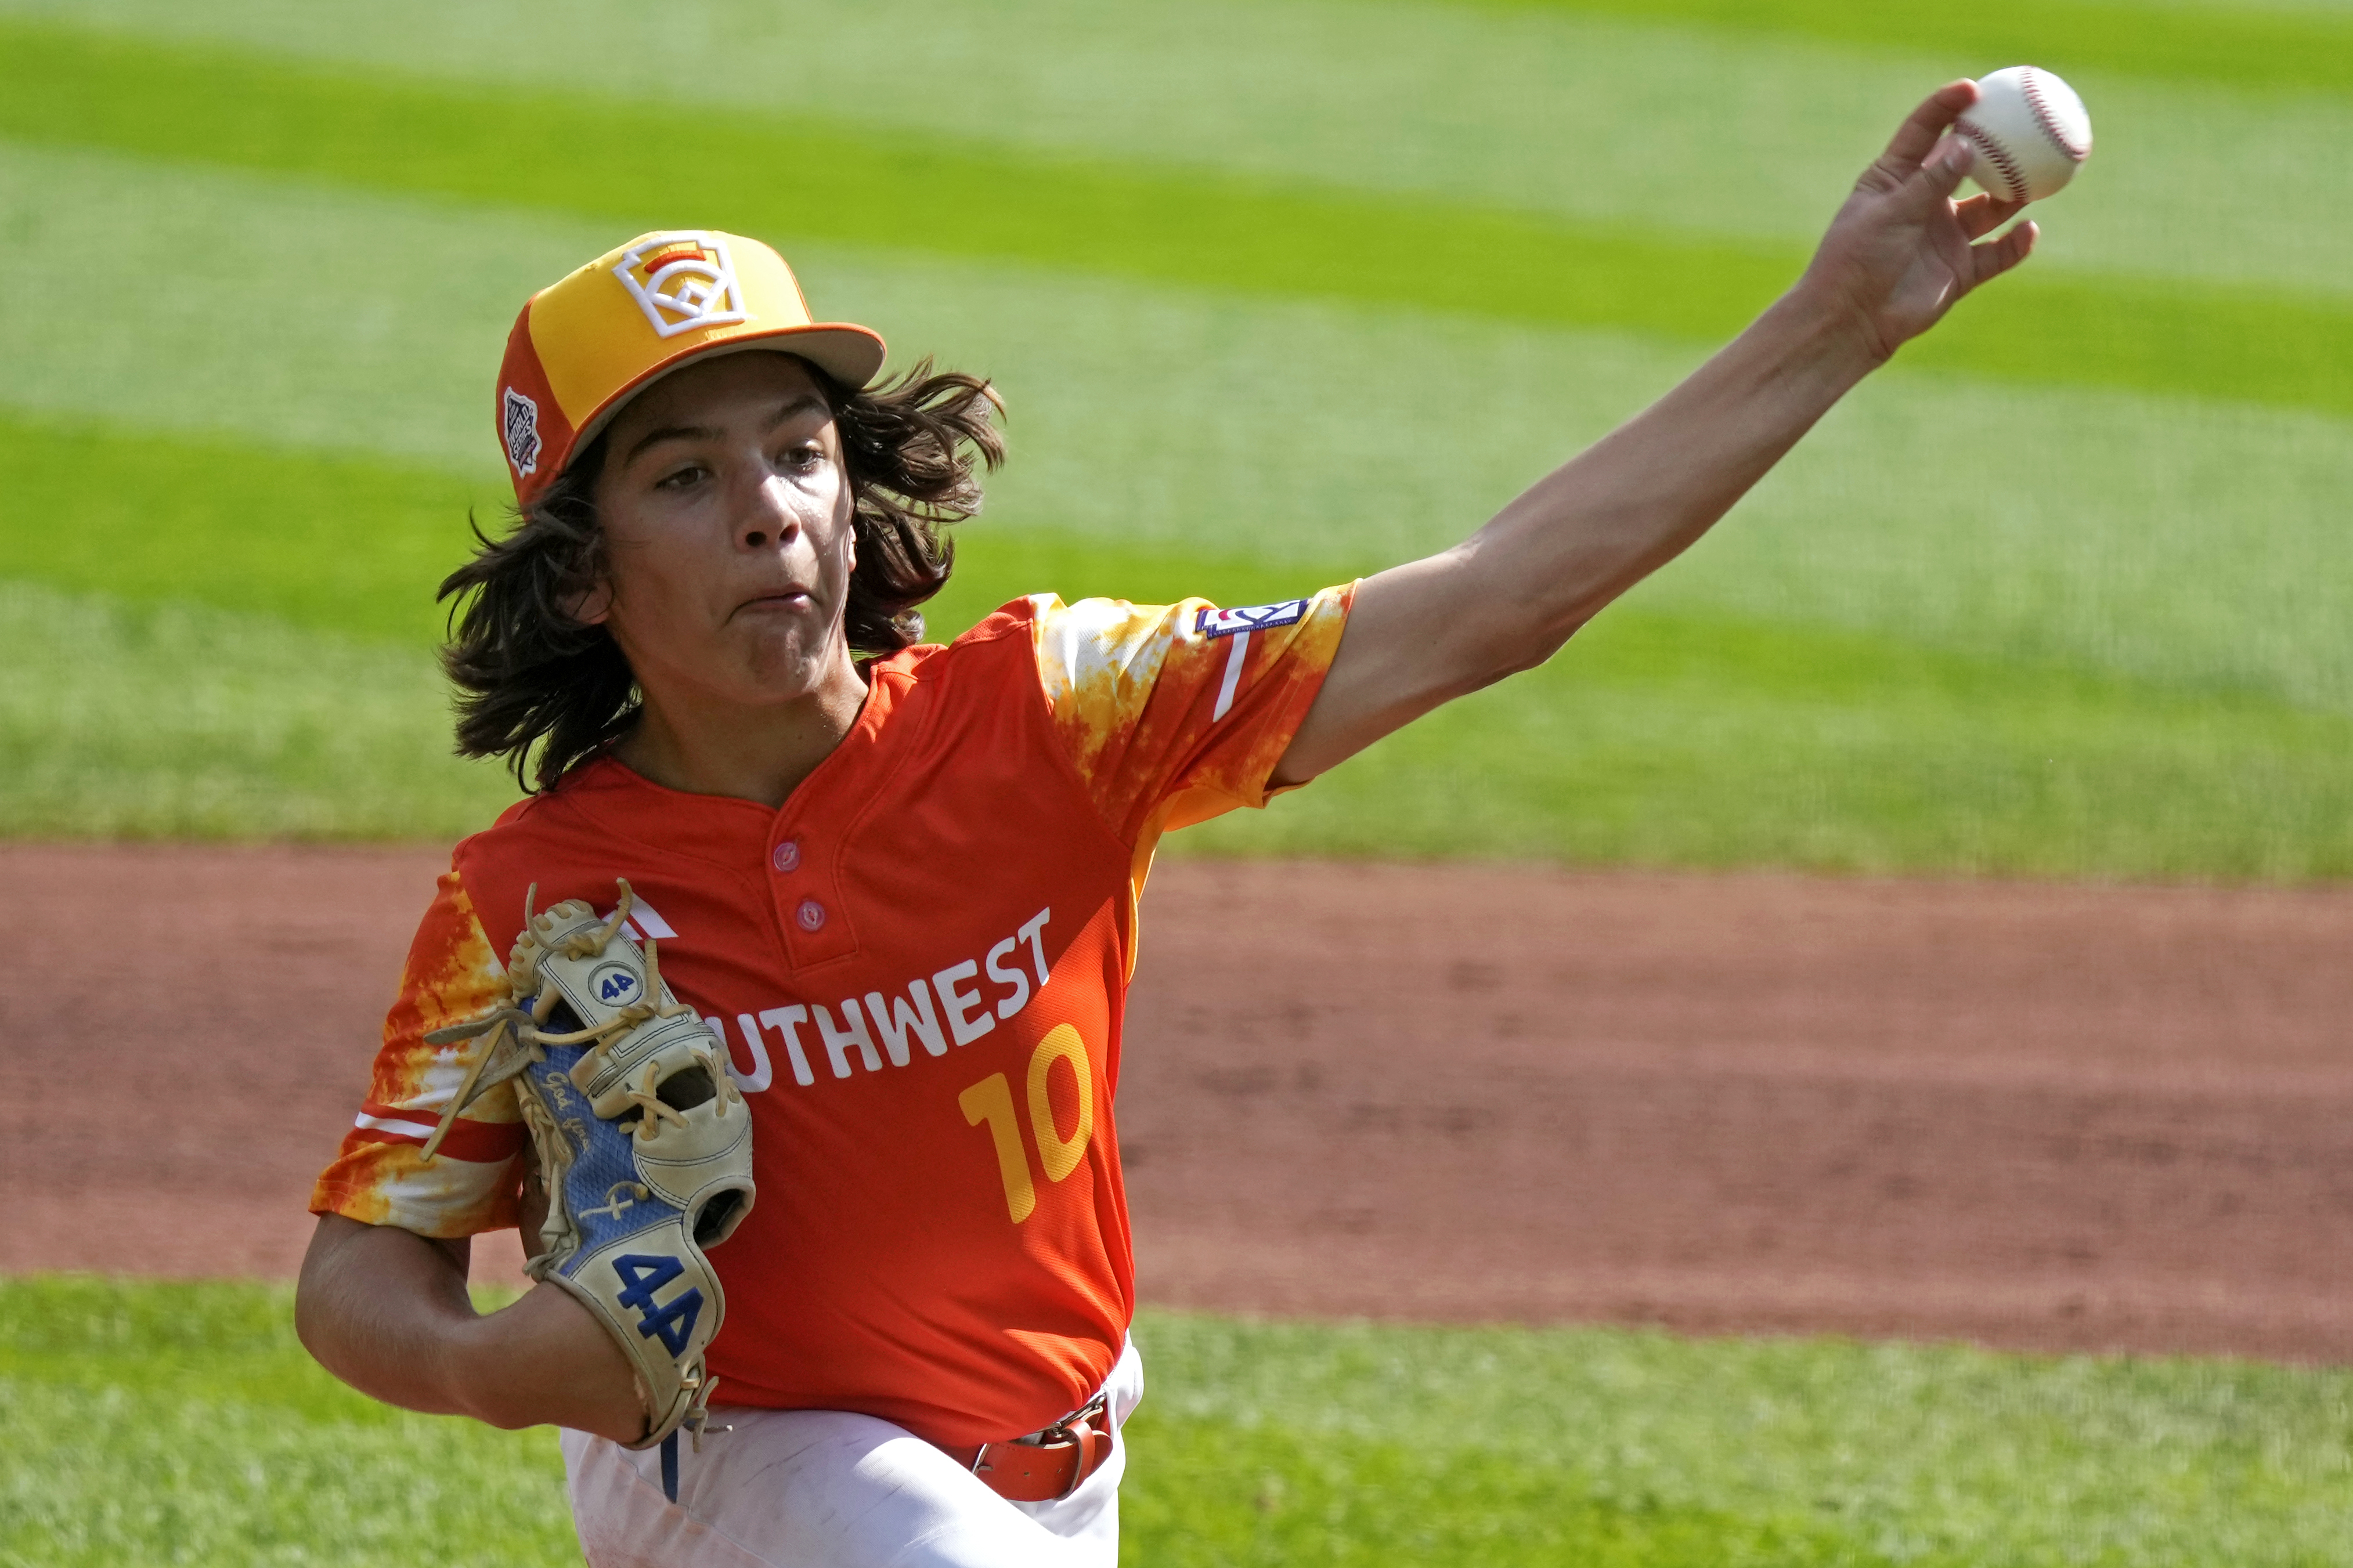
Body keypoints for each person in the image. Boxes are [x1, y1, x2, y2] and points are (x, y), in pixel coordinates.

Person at [295, 83, 2034, 1567]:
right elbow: (357, 1277)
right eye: (686, 478)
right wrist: (505, 1363)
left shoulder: (1054, 712)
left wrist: (1841, 319)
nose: (770, 514)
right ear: (587, 577)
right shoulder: (536, 899)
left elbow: (1491, 602)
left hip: (1067, 1465)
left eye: (801, 452)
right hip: (752, 1469)